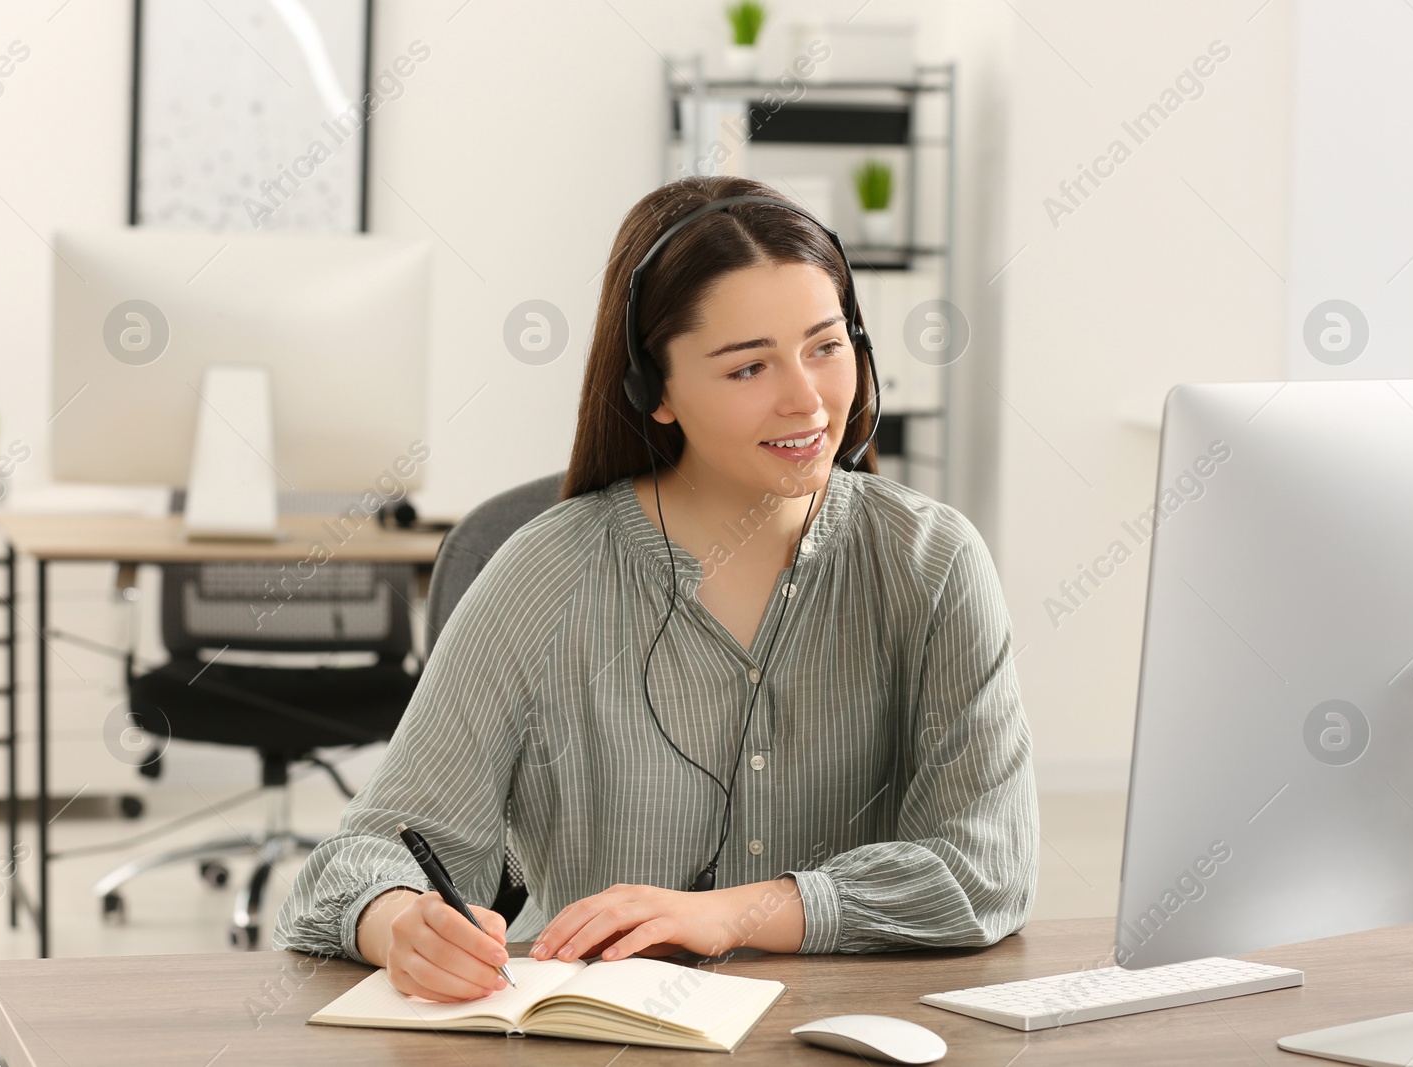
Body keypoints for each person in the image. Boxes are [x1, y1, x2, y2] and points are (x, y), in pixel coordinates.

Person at [272, 174, 1038, 1003]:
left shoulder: (932, 563)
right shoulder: (546, 575)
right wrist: (400, 924)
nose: (808, 398)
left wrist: (736, 912)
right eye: (749, 367)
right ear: (654, 390)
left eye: (826, 345)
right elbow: (350, 867)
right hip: (606, 1040)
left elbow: (983, 865)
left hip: (846, 1036)